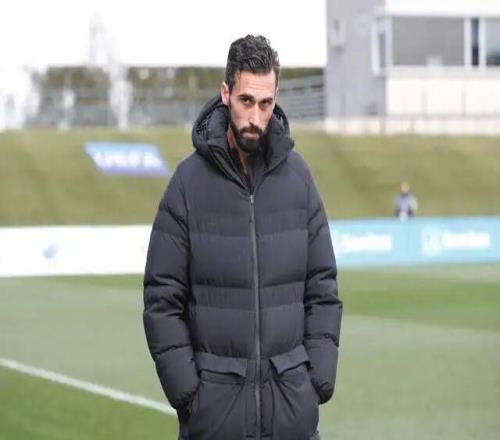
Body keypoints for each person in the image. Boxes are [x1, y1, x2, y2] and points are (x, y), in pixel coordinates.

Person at [143, 35, 342, 440]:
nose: (255, 116)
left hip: (291, 417)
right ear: (225, 93)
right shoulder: (187, 184)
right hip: (215, 420)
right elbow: (161, 299)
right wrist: (190, 394)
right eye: (246, 101)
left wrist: (316, 381)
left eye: (265, 104)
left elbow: (323, 287)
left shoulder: (299, 179)